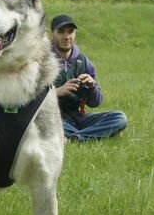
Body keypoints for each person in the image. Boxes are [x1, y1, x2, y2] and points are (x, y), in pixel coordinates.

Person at [50, 14, 128, 142]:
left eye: (70, 32)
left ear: (75, 34)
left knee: (120, 118)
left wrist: (92, 86)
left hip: (80, 117)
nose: (67, 37)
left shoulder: (84, 62)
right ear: (53, 33)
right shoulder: (41, 60)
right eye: (61, 32)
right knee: (40, 123)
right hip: (53, 116)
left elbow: (95, 103)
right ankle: (99, 133)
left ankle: (74, 138)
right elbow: (31, 100)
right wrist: (58, 92)